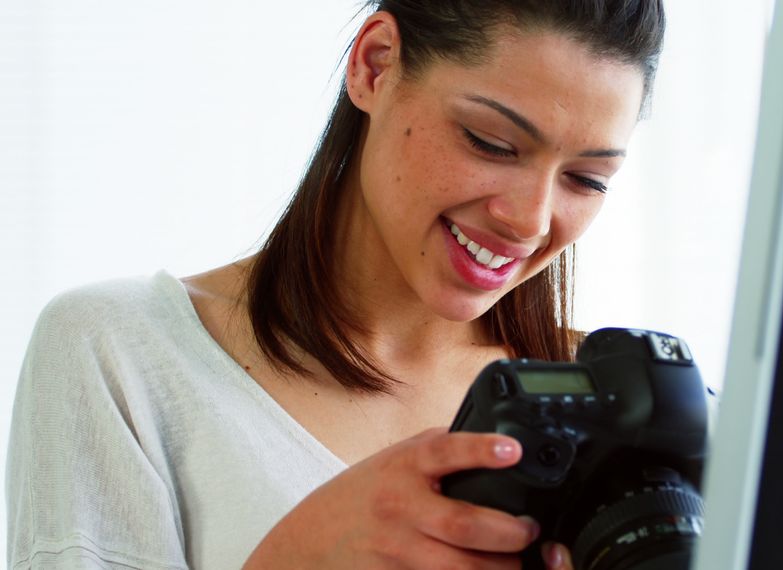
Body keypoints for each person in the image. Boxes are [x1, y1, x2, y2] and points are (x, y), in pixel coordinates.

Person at [6, 0, 665, 568]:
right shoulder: (122, 355)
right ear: (374, 66)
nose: (530, 220)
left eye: (586, 180)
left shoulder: (624, 405)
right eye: (490, 141)